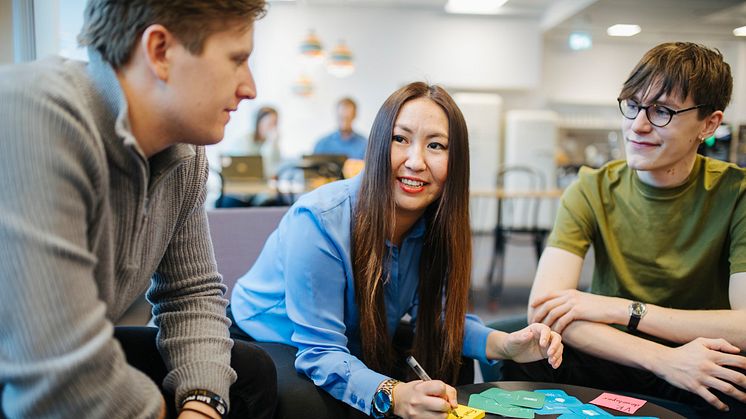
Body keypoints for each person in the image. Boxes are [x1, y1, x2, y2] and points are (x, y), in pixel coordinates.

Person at [0, 1, 277, 418]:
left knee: (249, 372)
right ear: (161, 51)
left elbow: (190, 293)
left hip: (54, 352)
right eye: (238, 59)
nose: (250, 88)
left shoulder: (184, 155)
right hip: (22, 368)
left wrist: (202, 405)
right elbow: (56, 368)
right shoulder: (35, 112)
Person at [231, 82, 563, 418]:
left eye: (435, 145)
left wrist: (505, 345)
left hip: (354, 332)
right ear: (377, 146)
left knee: (449, 359)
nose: (415, 161)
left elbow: (439, 320)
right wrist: (394, 393)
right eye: (400, 139)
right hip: (274, 336)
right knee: (314, 405)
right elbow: (320, 350)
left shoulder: (436, 224)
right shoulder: (320, 219)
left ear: (455, 161)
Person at [503, 42, 746, 418]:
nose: (638, 125)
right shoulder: (592, 188)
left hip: (699, 356)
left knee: (733, 386)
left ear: (709, 124)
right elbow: (543, 308)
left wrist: (622, 309)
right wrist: (663, 359)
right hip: (613, 351)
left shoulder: (737, 194)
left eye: (662, 111)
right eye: (632, 105)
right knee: (529, 357)